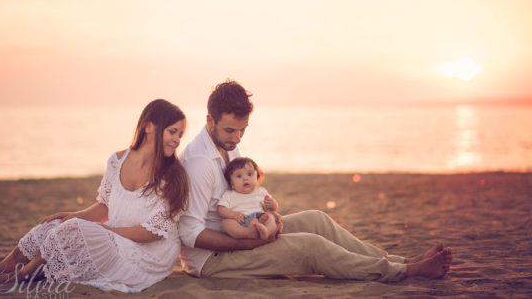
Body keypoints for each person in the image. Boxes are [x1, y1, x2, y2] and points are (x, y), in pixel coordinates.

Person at [178, 80, 452, 282]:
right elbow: (189, 233)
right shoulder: (199, 163)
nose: (237, 138)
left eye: (242, 130)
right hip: (212, 261)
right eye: (230, 130)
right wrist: (247, 244)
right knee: (310, 246)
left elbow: (238, 199)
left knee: (316, 220)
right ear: (209, 120)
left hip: (244, 233)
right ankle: (404, 272)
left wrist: (269, 217)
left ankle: (399, 261)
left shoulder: (227, 146)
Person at [0, 99, 189, 293]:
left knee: (73, 229)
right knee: (56, 224)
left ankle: (17, 277)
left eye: (180, 134)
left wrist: (103, 231)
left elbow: (152, 233)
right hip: (116, 240)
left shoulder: (173, 177)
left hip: (147, 257)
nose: (177, 139)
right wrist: (74, 215)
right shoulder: (117, 161)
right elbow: (104, 208)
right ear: (149, 126)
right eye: (172, 132)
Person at [217, 157, 279, 240]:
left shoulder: (261, 191)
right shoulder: (230, 194)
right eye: (239, 176)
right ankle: (248, 233)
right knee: (226, 224)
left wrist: (273, 204)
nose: (245, 178)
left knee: (270, 217)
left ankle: (266, 231)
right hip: (240, 221)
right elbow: (221, 209)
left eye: (250, 174)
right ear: (232, 184)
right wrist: (233, 215)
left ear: (257, 178)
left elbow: (272, 208)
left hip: (260, 218)